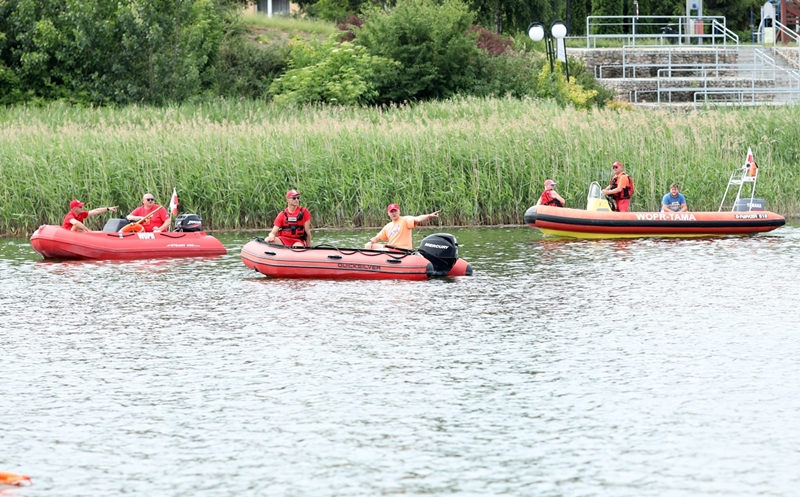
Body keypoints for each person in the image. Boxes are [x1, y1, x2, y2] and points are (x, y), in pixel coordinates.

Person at [364, 204, 439, 250]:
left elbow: (418, 218)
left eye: (395, 211)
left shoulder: (405, 219)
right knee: (371, 246)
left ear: (399, 211)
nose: (393, 213)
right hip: (391, 249)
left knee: (382, 249)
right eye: (391, 212)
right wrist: (370, 242)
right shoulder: (388, 226)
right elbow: (377, 238)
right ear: (388, 213)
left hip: (403, 250)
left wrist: (429, 215)